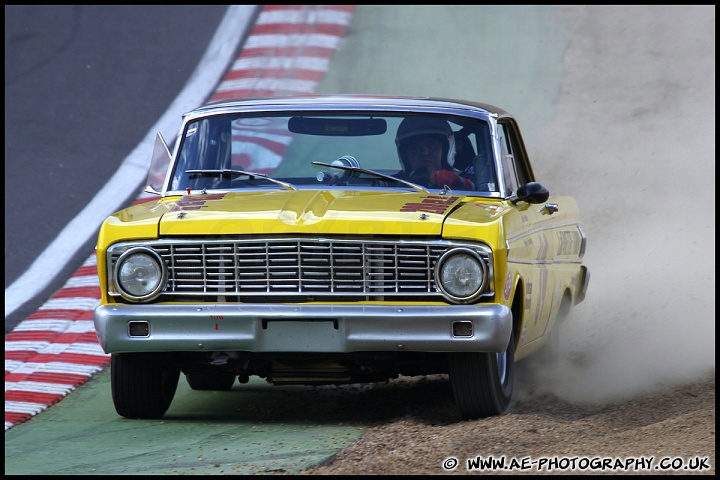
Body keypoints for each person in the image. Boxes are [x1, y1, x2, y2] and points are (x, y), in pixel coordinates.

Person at [394, 116, 474, 190]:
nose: (425, 152)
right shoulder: (391, 184)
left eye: (431, 146)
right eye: (415, 149)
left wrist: (462, 184)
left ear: (446, 149)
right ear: (405, 155)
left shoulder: (470, 179)